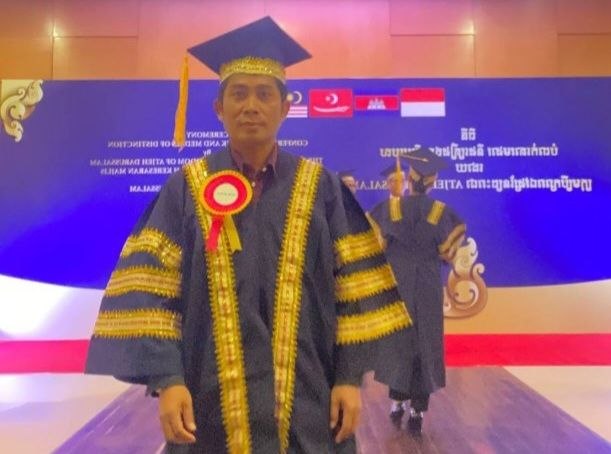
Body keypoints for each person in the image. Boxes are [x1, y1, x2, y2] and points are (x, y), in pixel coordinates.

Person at [86, 17, 412, 454]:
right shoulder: (188, 188)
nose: (251, 106)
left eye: (264, 94)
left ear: (285, 107)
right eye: (238, 94)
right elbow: (152, 291)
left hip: (309, 400)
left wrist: (349, 377)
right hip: (207, 403)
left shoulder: (322, 188)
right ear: (219, 108)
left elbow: (353, 288)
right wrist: (167, 379)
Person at [369, 147, 466, 435]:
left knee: (399, 341)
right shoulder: (441, 212)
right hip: (426, 284)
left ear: (409, 179)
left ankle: (397, 401)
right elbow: (448, 252)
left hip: (398, 282)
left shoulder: (391, 208)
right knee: (426, 341)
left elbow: (375, 244)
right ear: (433, 181)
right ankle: (418, 409)